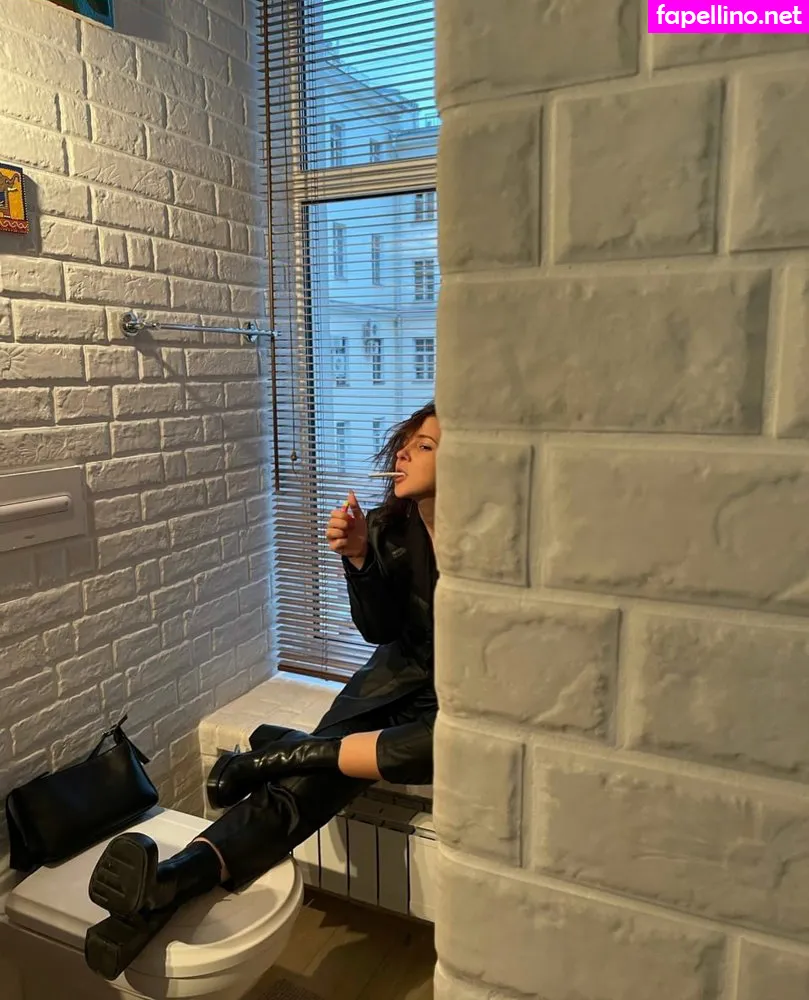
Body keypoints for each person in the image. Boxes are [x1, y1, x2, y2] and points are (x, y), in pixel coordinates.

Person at [84, 401, 440, 981]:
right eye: (405, 442)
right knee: (310, 786)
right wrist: (358, 558)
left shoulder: (494, 539)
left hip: (456, 702)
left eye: (424, 446)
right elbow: (380, 630)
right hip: (395, 678)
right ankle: (174, 879)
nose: (403, 453)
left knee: (433, 747)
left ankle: (273, 754)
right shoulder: (387, 527)